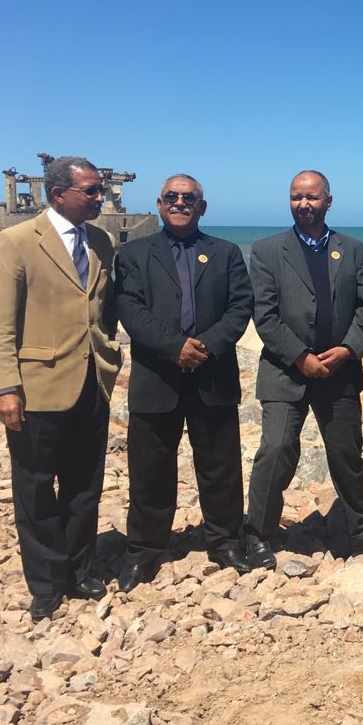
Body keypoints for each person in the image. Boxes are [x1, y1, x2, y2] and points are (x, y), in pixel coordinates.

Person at [0, 156, 123, 621]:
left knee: (85, 485)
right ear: (58, 194)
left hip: (91, 382)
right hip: (37, 386)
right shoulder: (16, 242)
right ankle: (45, 583)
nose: (101, 197)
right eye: (91, 191)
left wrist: (110, 356)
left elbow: (102, 309)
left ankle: (79, 571)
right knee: (37, 488)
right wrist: (5, 387)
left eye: (101, 190)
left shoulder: (101, 242)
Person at [243, 171, 363, 567]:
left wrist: (348, 349)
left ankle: (359, 527)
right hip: (285, 370)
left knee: (346, 453)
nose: (304, 204)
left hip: (339, 371)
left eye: (312, 197)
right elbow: (265, 314)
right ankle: (259, 532)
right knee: (276, 449)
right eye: (296, 197)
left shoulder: (352, 248)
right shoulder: (266, 250)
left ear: (328, 201)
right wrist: (300, 356)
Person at [114, 175, 256, 590]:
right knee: (150, 470)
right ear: (159, 205)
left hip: (213, 375)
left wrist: (205, 347)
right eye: (172, 197)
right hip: (157, 377)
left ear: (202, 207)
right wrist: (174, 347)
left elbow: (240, 306)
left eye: (189, 198)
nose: (180, 202)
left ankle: (226, 541)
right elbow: (130, 309)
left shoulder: (226, 253)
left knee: (220, 467)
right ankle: (144, 550)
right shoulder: (134, 254)